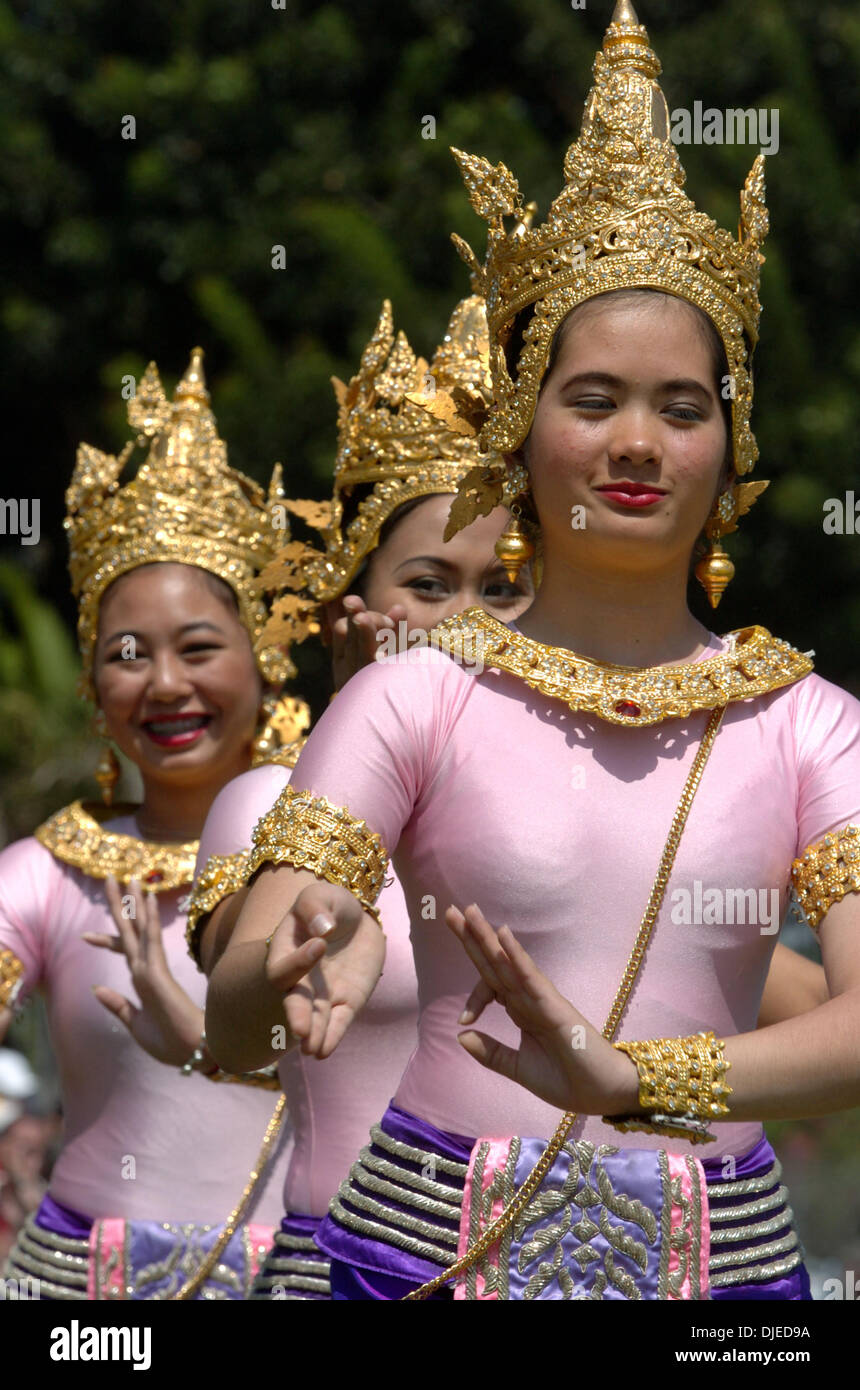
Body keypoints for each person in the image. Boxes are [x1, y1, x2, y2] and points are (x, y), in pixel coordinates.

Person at [204, 2, 858, 1302]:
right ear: (523, 426)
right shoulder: (413, 697)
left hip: (725, 1281)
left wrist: (640, 1078)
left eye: (683, 406)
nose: (637, 443)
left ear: (730, 449)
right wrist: (257, 984)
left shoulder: (810, 722)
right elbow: (238, 1003)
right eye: (594, 398)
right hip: (425, 1256)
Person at [188, 296, 535, 1299]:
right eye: (429, 583)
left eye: (503, 586)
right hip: (342, 1274)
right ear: (356, 606)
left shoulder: (581, 799)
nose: (470, 620)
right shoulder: (269, 799)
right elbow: (235, 1016)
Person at [0, 350, 316, 1299]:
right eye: (128, 655)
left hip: (307, 1277)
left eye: (201, 648)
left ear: (265, 666)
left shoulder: (339, 854)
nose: (166, 684)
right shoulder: (49, 875)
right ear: (96, 694)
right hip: (87, 1290)